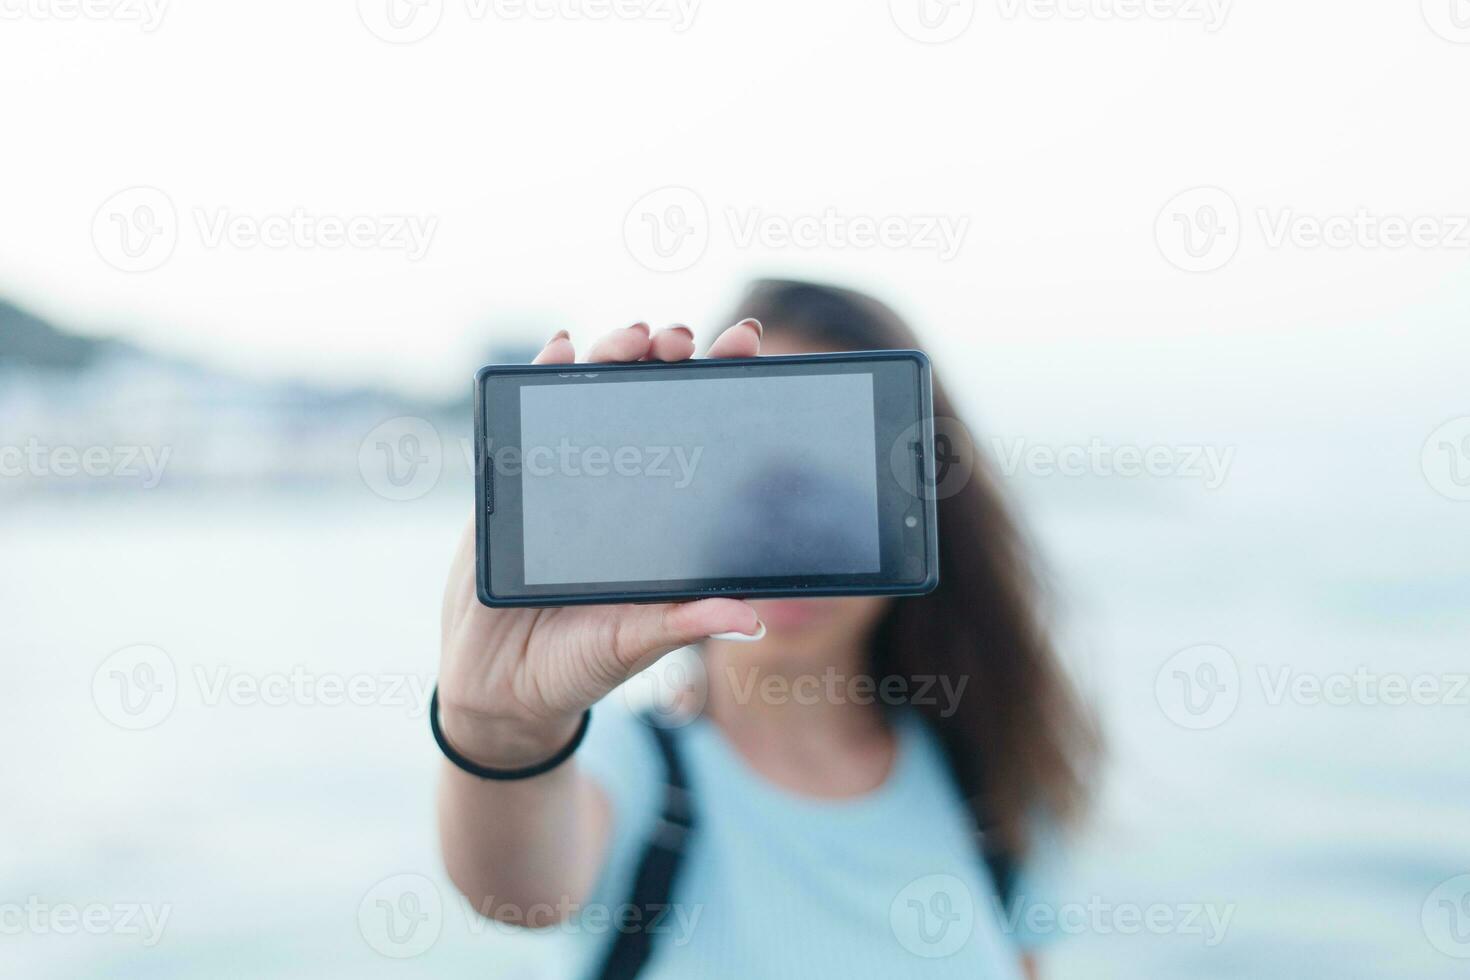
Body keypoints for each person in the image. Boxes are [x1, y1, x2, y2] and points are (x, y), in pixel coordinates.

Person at [435, 280, 1099, 978]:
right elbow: (517, 892)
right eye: (754, 473)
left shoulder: (991, 783)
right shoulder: (628, 768)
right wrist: (500, 733)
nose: (791, 531)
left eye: (833, 483)